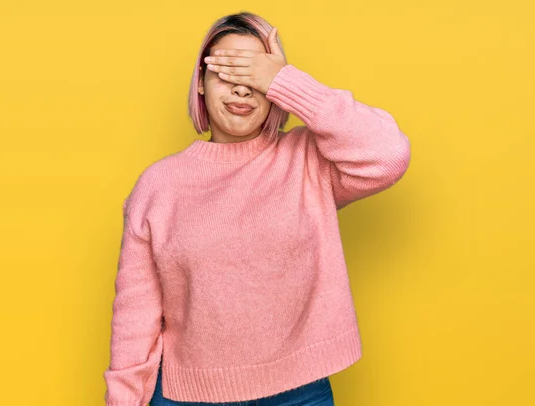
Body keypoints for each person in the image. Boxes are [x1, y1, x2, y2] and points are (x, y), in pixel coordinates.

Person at [103, 11, 411, 406]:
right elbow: (135, 316)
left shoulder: (307, 161)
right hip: (188, 395)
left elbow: (388, 153)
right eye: (227, 73)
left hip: (299, 391)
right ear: (200, 83)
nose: (242, 90)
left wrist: (286, 80)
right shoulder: (159, 185)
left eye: (254, 76)